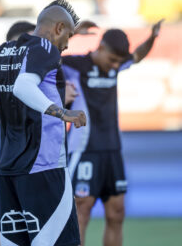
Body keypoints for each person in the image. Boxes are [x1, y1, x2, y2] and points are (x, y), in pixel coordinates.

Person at [0, 0, 86, 246]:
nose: (67, 44)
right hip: (46, 167)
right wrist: (61, 113)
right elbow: (23, 86)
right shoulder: (45, 48)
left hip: (8, 170)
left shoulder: (0, 52)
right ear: (58, 28)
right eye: (69, 35)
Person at [63, 19, 164, 246]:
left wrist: (152, 37)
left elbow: (137, 56)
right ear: (100, 48)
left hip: (112, 150)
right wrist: (70, 35)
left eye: (120, 62)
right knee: (81, 210)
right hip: (83, 150)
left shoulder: (115, 66)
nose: (116, 66)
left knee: (117, 213)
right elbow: (44, 57)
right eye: (112, 60)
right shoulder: (73, 66)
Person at [0, 20, 79, 246]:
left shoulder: (36, 74)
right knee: (13, 232)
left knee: (25, 233)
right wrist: (56, 99)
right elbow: (16, 99)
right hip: (10, 164)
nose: (33, 47)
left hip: (33, 163)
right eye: (27, 41)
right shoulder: (0, 80)